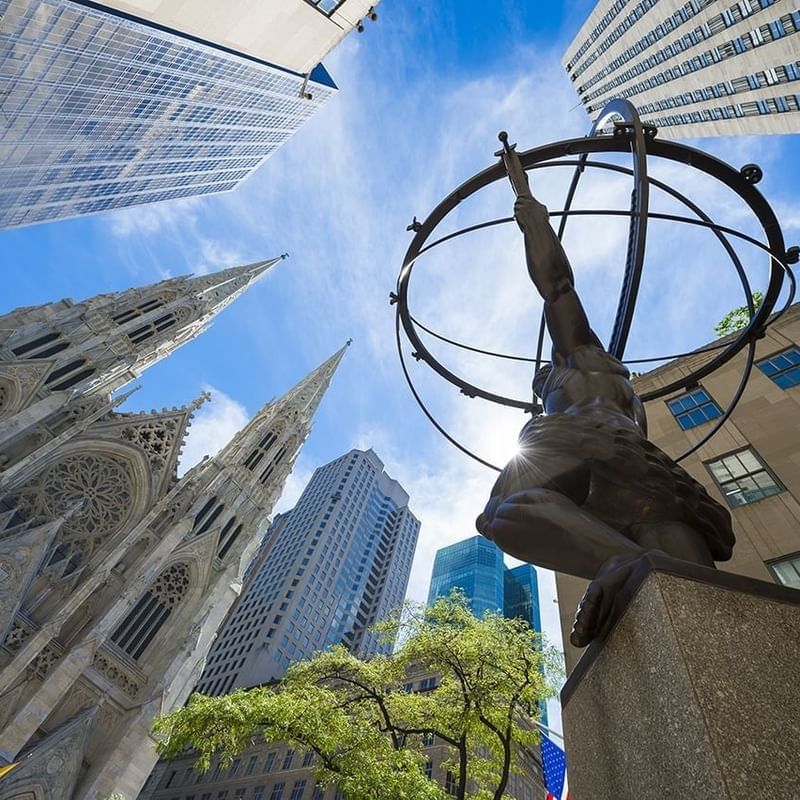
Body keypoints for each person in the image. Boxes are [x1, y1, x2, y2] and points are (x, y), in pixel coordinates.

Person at [476, 194, 734, 647]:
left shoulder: (577, 357)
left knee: (501, 513)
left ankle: (622, 560)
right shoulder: (626, 393)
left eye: (545, 380)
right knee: (694, 592)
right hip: (646, 470)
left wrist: (535, 224)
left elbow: (557, 286)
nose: (543, 383)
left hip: (585, 442)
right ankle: (636, 561)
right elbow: (634, 456)